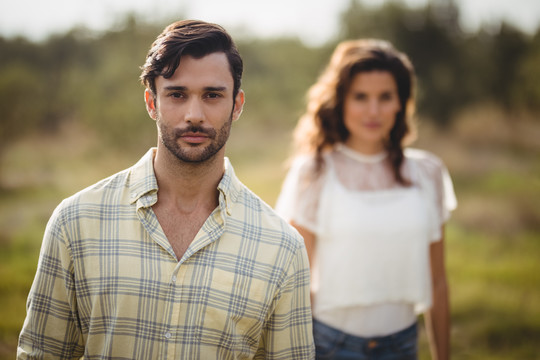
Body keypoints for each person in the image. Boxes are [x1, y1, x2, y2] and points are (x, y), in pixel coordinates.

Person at [17, 20, 314, 359]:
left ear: (237, 104)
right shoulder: (75, 222)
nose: (194, 114)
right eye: (177, 94)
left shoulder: (281, 247)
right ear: (151, 102)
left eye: (212, 95)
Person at [275, 39, 457, 360]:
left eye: (385, 97)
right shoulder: (313, 172)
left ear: (401, 102)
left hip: (403, 344)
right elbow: (296, 285)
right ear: (340, 101)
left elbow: (438, 283)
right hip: (331, 344)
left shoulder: (427, 173)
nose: (373, 111)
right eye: (361, 97)